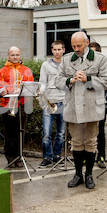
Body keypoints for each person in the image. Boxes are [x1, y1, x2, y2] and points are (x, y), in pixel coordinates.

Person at [55, 32, 107, 189]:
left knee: (90, 142)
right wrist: (70, 80)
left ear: (87, 42)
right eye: (74, 46)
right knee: (77, 142)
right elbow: (57, 81)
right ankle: (78, 174)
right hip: (73, 107)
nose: (76, 49)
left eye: (79, 46)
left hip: (92, 106)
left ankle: (89, 175)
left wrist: (89, 79)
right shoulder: (66, 59)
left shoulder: (100, 59)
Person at [0, 46, 34, 167]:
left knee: (20, 133)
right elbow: (0, 86)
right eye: (13, 55)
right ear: (8, 56)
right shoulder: (2, 71)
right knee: (9, 134)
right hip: (7, 105)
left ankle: (19, 157)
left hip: (22, 104)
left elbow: (31, 85)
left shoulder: (26, 70)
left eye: (17, 54)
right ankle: (10, 158)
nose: (15, 57)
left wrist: (22, 90)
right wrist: (12, 90)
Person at [38, 40, 66, 168]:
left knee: (61, 132)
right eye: (55, 49)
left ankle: (57, 155)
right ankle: (47, 157)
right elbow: (43, 81)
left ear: (63, 50)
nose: (57, 52)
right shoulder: (46, 65)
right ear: (52, 50)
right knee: (46, 132)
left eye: (59, 49)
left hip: (63, 101)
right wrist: (41, 90)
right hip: (49, 102)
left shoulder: (67, 65)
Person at [88, 41, 107, 169]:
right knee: (87, 131)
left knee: (100, 131)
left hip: (101, 101)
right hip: (88, 101)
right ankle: (88, 156)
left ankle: (101, 156)